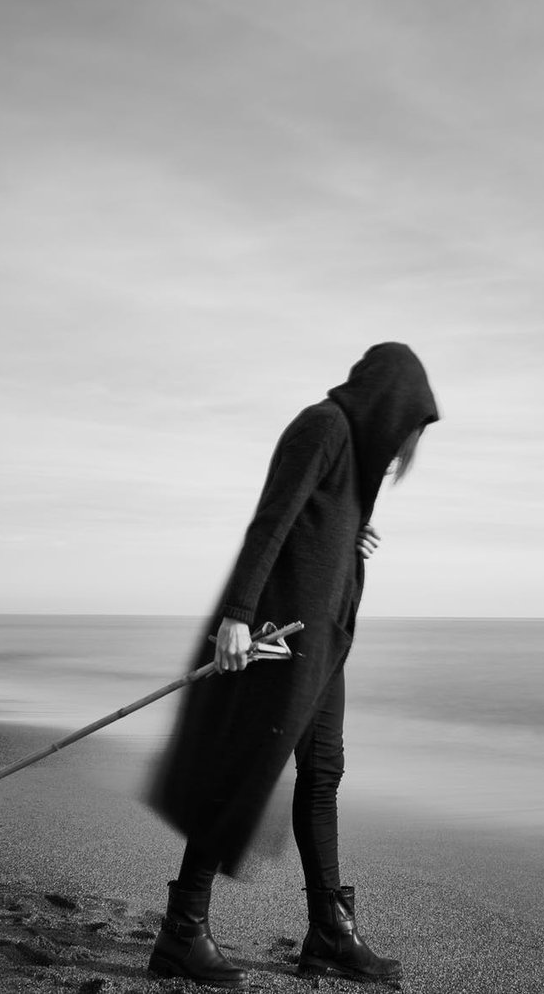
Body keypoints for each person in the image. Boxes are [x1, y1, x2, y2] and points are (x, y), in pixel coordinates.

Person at [146, 342, 439, 988]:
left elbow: (316, 524)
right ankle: (182, 932)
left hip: (325, 640)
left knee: (323, 771)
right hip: (280, 632)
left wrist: (347, 534)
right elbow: (272, 521)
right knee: (241, 769)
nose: (401, 450)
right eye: (405, 432)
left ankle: (329, 932)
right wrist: (237, 614)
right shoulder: (324, 425)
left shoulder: (355, 458)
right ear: (388, 405)